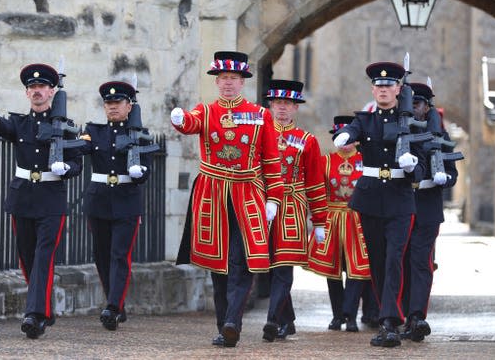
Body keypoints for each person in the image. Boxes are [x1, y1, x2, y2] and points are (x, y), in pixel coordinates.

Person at [170, 51, 284, 348]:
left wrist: (274, 198)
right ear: (217, 82)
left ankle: (233, 320)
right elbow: (192, 123)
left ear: (242, 81)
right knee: (218, 265)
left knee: (243, 260)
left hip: (247, 193)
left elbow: (272, 161)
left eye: (233, 78)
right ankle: (225, 325)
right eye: (223, 79)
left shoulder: (261, 115)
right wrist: (180, 119)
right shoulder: (206, 111)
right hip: (213, 194)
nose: (228, 84)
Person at [0, 63, 82, 339]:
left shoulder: (66, 127)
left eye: (42, 87)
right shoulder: (20, 123)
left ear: (52, 91)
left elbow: (77, 163)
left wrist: (66, 169)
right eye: (32, 88)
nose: (37, 91)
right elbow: (4, 128)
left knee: (43, 257)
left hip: (51, 200)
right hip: (23, 197)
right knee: (27, 257)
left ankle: (34, 314)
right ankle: (45, 309)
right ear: (27, 94)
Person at [333, 62, 426, 348]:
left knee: (395, 258)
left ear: (399, 89)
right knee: (377, 260)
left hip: (399, 198)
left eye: (389, 86)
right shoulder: (365, 120)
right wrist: (345, 136)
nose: (383, 90)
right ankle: (387, 316)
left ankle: (390, 321)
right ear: (373, 89)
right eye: (379, 86)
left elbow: (422, 167)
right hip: (371, 197)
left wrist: (412, 168)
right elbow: (352, 128)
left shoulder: (410, 122)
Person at [78, 81, 152, 331]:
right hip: (98, 200)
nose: (112, 107)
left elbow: (146, 172)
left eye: (117, 102)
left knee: (120, 255)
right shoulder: (94, 130)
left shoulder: (140, 134)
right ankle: (116, 303)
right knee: (101, 256)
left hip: (126, 202)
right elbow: (83, 147)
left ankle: (111, 307)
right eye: (108, 103)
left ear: (129, 106)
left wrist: (138, 171)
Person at [262, 80, 328, 342]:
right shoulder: (260, 134)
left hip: (292, 206)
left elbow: (315, 181)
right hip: (264, 204)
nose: (282, 109)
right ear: (270, 105)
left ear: (295, 108)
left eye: (288, 104)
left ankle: (271, 320)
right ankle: (286, 319)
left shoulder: (306, 141)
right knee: (267, 264)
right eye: (278, 103)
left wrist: (320, 220)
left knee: (284, 265)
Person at [401, 82, 459, 342]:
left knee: (420, 263)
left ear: (426, 107)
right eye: (410, 104)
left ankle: (416, 316)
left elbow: (452, 175)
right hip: (400, 205)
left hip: (426, 206)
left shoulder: (440, 136)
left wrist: (442, 177)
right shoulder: (397, 131)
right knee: (399, 262)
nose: (414, 109)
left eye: (418, 104)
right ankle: (398, 314)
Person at [307, 115, 374, 332]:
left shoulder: (367, 161)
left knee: (357, 271)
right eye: (340, 139)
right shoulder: (325, 161)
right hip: (332, 219)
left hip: (358, 220)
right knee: (333, 271)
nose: (345, 144)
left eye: (349, 139)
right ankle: (337, 315)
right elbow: (316, 190)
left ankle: (351, 315)